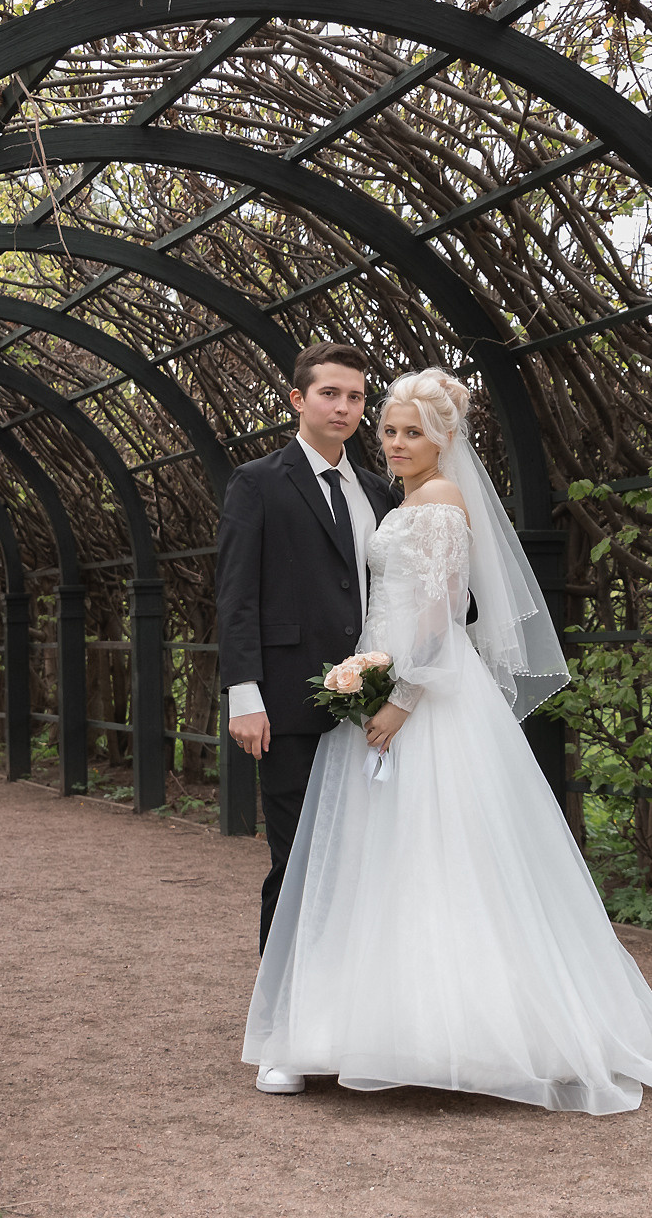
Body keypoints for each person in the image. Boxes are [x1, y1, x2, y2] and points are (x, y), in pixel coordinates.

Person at [242, 367, 652, 1112]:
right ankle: (360, 1024)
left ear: (444, 440)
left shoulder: (440, 505)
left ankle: (458, 1031)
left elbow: (441, 612)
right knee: (380, 861)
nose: (394, 442)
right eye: (389, 430)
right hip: (381, 685)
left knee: (440, 855)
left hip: (423, 695)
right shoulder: (399, 499)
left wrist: (401, 698)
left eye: (410, 432)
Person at [215, 342, 399, 958]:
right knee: (295, 861)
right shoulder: (257, 483)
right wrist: (244, 695)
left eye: (355, 397)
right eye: (330, 393)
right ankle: (280, 1025)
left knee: (368, 862)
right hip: (288, 703)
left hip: (375, 707)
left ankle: (349, 1015)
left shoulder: (380, 492)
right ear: (298, 399)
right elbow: (237, 596)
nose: (343, 407)